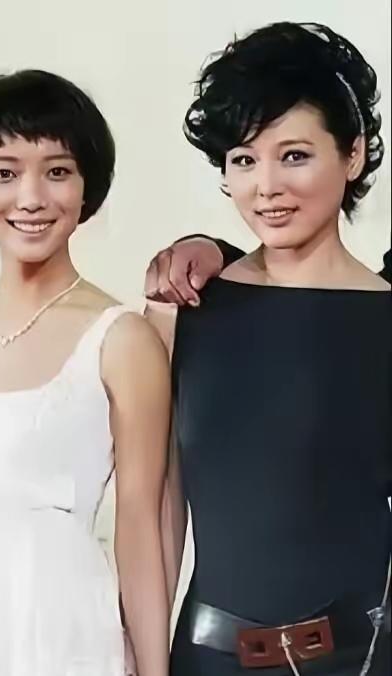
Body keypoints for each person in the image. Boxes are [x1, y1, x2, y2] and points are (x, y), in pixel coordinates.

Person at [0, 70, 170, 676]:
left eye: (57, 171)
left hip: (61, 625)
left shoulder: (121, 339)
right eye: (4, 172)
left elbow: (139, 525)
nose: (32, 197)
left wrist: (154, 669)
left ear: (86, 185)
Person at [143, 22, 390, 676]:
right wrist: (143, 655)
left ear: (354, 154)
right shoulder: (184, 305)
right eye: (244, 160)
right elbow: (157, 510)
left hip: (363, 658)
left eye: (295, 155)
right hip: (208, 657)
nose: (266, 186)